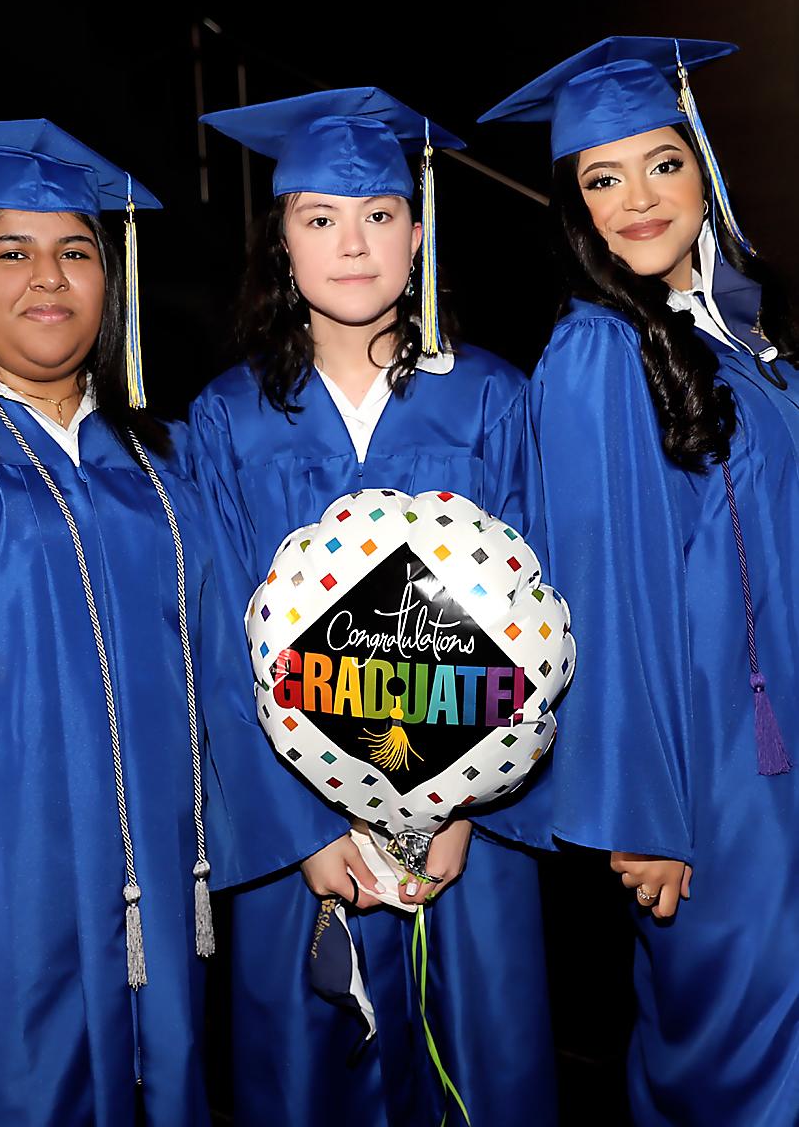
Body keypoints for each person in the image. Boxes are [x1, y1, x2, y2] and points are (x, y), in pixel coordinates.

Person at [191, 88, 557, 1127]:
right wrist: (304, 830)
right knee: (309, 1082)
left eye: (379, 217)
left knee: (486, 1074)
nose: (352, 246)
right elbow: (218, 641)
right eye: (319, 220)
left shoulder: (491, 396)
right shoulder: (225, 417)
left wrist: (470, 811)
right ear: (283, 246)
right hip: (299, 844)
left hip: (468, 838)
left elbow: (538, 618)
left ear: (418, 234)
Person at [0, 119, 214, 1126]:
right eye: (9, 251)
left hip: (149, 905)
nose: (48, 278)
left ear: (113, 285)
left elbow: (229, 683)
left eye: (76, 252)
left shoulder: (165, 466)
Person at [480, 37, 799, 1125]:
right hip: (717, 776)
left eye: (660, 162)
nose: (637, 199)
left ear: (703, 164)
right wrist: (641, 815)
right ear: (574, 206)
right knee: (745, 1049)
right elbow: (600, 592)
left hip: (784, 745)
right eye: (600, 178)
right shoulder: (598, 352)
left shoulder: (748, 336)